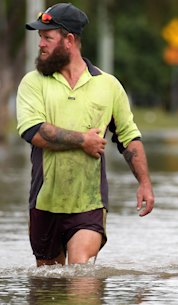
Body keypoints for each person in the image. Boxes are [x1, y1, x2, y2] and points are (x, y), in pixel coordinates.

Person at [16, 3, 154, 267]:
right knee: (50, 284)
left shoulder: (108, 85)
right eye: (40, 37)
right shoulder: (32, 83)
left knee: (79, 270)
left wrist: (145, 182)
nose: (40, 44)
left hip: (89, 203)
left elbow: (128, 138)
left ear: (69, 40)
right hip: (44, 202)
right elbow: (34, 132)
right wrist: (83, 140)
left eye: (47, 37)